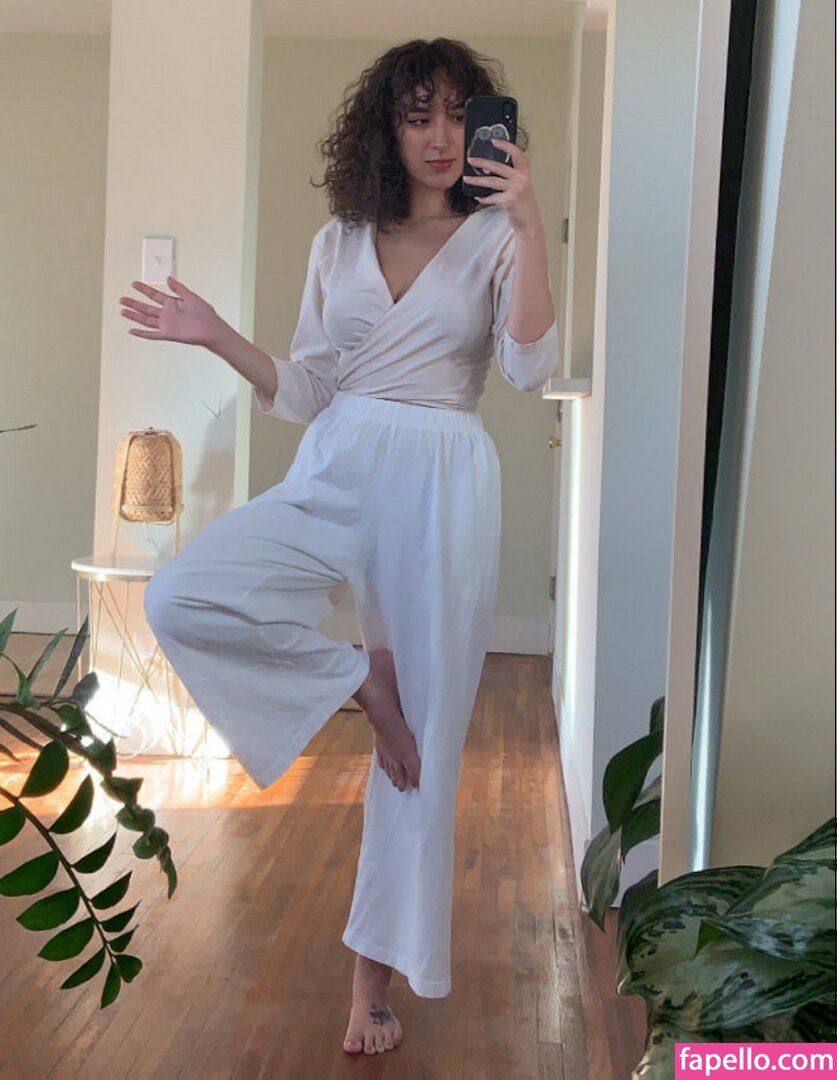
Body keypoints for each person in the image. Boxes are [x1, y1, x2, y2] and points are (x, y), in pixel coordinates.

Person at [119, 37, 558, 1058]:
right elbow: (310, 387)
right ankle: (362, 679)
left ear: (484, 126)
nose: (440, 136)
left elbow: (531, 367)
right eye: (417, 115)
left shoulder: (496, 236)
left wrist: (530, 222)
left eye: (457, 114)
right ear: (385, 130)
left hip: (443, 477)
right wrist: (216, 332)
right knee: (181, 596)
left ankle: (371, 985)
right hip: (340, 459)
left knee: (422, 754)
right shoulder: (341, 238)